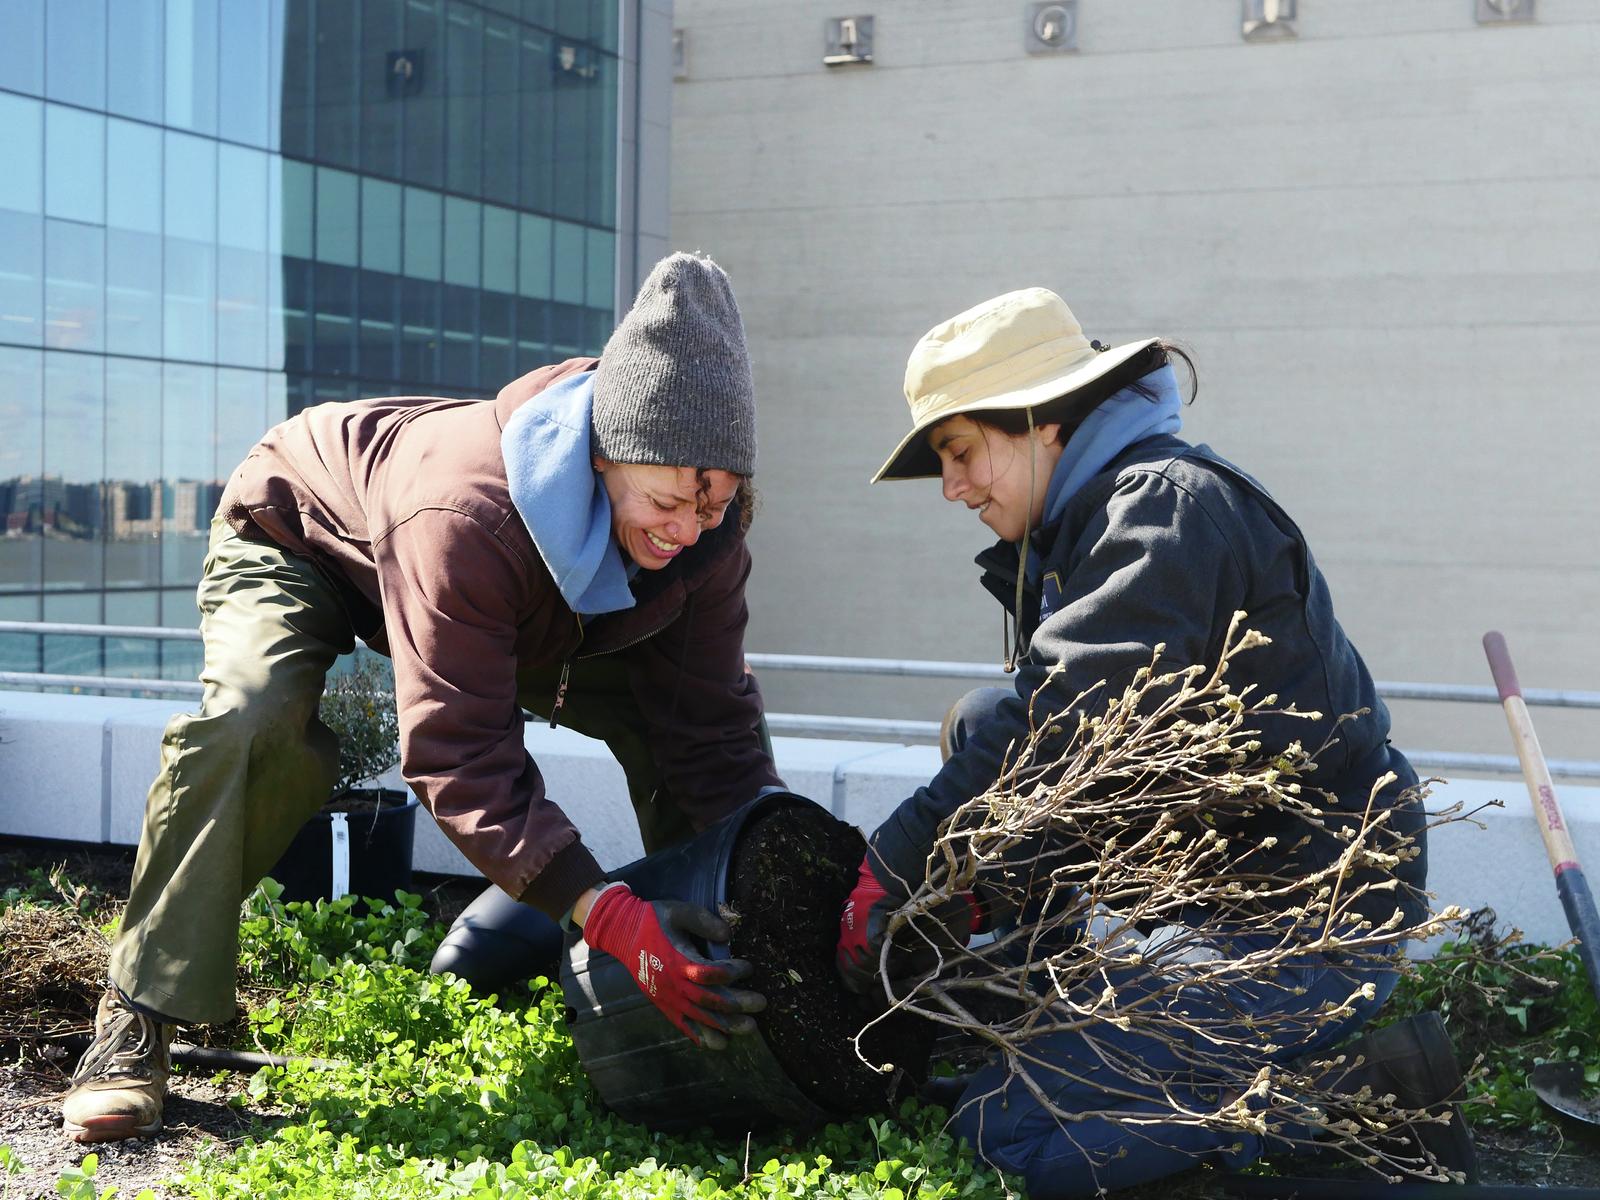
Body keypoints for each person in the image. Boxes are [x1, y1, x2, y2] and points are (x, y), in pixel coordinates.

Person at [62, 252, 780, 1143]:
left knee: (673, 728)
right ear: (607, 451)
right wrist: (607, 914)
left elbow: (712, 729)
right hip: (307, 535)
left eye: (711, 508)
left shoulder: (704, 542)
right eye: (669, 501)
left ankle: (744, 995)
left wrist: (801, 875)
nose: (686, 530)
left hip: (526, 605)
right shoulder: (464, 512)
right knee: (255, 719)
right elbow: (459, 750)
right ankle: (138, 1014)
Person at [834, 288, 1476, 1196]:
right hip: (1212, 897)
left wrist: (895, 862)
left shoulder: (1159, 514)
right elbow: (1087, 771)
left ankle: (1366, 1093)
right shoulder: (1094, 524)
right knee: (981, 721)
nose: (953, 487)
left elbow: (1057, 725)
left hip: (1302, 928)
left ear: (1042, 424)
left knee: (1010, 1133)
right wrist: (981, 895)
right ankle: (1063, 1013)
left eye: (962, 451)